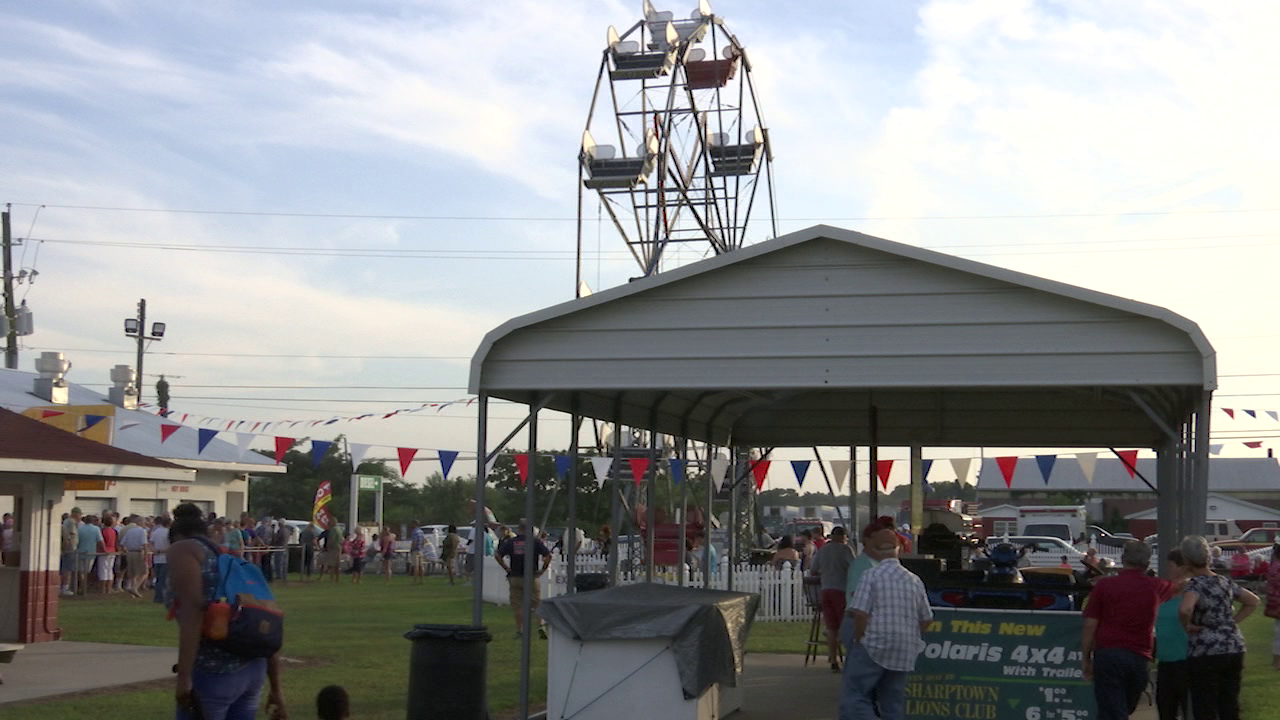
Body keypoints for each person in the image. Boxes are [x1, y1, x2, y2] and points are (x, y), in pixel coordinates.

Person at [168, 502, 286, 720]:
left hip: (214, 670)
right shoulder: (230, 557)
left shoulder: (183, 549)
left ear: (176, 536)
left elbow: (193, 612)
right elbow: (264, 618)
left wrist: (184, 676)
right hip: (254, 668)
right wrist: (277, 688)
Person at [839, 525, 933, 720]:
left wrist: (859, 638)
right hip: (904, 647)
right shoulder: (914, 580)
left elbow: (860, 613)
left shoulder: (871, 575)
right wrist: (912, 635)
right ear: (899, 549)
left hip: (875, 644)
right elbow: (926, 618)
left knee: (855, 695)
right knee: (893, 701)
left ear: (875, 549)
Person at [1080, 540, 1174, 720]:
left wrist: (1086, 657)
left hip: (1108, 654)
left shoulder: (1104, 586)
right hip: (1139, 656)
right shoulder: (1156, 586)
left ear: (1123, 559)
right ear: (1147, 563)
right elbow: (1180, 585)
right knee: (1123, 707)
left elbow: (1090, 624)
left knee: (1111, 708)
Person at [1179, 534, 1259, 720]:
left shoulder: (1195, 584)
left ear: (1187, 560)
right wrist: (1231, 622)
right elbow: (1253, 601)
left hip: (1205, 649)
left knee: (1205, 705)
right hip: (1233, 645)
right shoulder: (1224, 581)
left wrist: (1187, 625)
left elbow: (1185, 609)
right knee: (1229, 703)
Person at [495, 520, 552, 638]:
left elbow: (498, 555)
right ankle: (541, 625)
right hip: (531, 576)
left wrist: (506, 568)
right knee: (536, 603)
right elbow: (548, 556)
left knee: (518, 605)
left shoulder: (511, 542)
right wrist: (543, 569)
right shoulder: (535, 541)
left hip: (515, 576)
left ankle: (520, 630)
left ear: (519, 529)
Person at [810, 526, 855, 672]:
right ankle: (850, 658)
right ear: (843, 536)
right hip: (841, 590)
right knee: (845, 624)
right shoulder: (845, 549)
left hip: (825, 590)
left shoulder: (823, 550)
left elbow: (813, 569)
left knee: (831, 627)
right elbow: (854, 567)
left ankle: (833, 659)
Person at [1154, 549, 1191, 720]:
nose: (1168, 570)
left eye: (1171, 566)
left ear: (1182, 567)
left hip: (1186, 659)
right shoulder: (1164, 592)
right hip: (1165, 660)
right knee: (1165, 709)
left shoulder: (1191, 592)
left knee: (1189, 709)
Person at [120, 514, 149, 598]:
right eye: (144, 522)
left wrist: (126, 551)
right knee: (144, 572)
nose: (145, 523)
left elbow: (122, 543)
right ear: (140, 522)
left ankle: (133, 592)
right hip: (138, 552)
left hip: (129, 553)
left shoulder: (130, 531)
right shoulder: (142, 531)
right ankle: (135, 587)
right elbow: (144, 544)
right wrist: (145, 554)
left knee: (133, 573)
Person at [76, 513, 105, 595]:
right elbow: (100, 541)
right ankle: (84, 587)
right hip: (91, 553)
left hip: (80, 552)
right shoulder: (96, 529)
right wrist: (104, 550)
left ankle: (82, 586)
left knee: (81, 571)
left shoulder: (79, 529)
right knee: (87, 571)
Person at [60, 507, 82, 596]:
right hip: (69, 549)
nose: (80, 517)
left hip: (72, 549)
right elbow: (67, 537)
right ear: (75, 514)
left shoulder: (73, 523)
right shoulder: (70, 522)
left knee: (68, 569)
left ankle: (65, 587)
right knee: (67, 569)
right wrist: (66, 549)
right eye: (79, 514)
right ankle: (64, 588)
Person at [151, 514, 172, 604]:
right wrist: (161, 551)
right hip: (166, 558)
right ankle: (161, 597)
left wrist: (155, 550)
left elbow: (151, 543)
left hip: (157, 558)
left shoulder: (156, 532)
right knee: (164, 579)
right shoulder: (169, 533)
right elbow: (172, 546)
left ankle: (157, 596)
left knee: (158, 578)